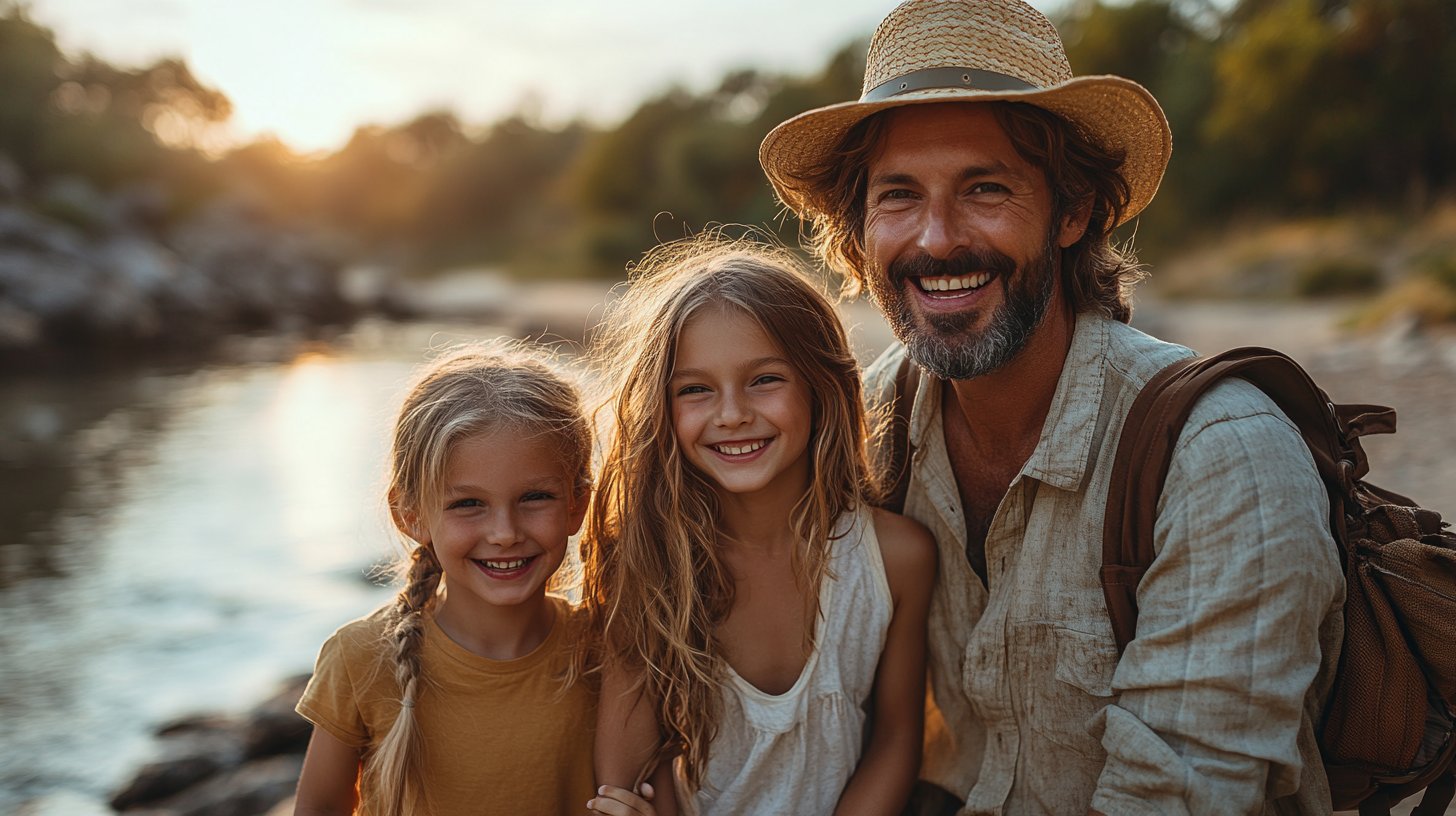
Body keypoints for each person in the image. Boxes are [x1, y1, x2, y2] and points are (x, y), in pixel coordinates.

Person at [758, 1, 1345, 814]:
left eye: (985, 188)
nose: (935, 239)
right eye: (898, 196)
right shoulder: (864, 425)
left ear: (1073, 211)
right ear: (858, 231)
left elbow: (1178, 796)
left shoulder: (1220, 455)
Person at [579, 236, 937, 815]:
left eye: (764, 379)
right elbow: (628, 772)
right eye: (695, 389)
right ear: (661, 409)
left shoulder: (896, 559)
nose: (731, 414)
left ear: (821, 386)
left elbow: (896, 741)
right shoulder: (648, 560)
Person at [290, 344, 653, 816]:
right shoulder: (361, 659)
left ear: (577, 504)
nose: (504, 533)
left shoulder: (608, 653)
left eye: (535, 497)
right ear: (410, 514)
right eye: (468, 504)